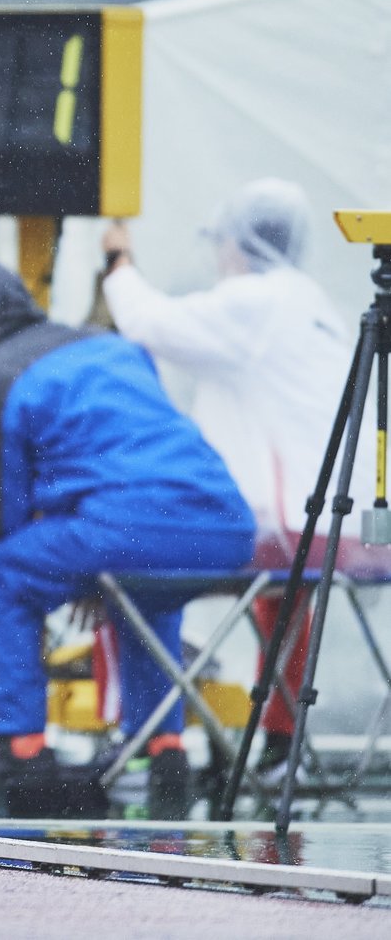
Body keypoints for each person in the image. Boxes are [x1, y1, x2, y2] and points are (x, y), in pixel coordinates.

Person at [0, 253, 254, 808]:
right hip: (226, 526)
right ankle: (163, 746)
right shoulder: (114, 346)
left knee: (0, 572)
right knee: (149, 585)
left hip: (129, 530)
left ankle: (23, 747)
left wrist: (64, 558)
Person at [101, 178, 386, 777]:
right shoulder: (308, 302)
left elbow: (148, 323)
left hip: (288, 532)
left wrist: (118, 261)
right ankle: (280, 745)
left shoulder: (255, 303)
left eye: (223, 245)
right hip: (344, 533)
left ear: (240, 246)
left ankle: (148, 742)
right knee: (282, 602)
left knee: (123, 573)